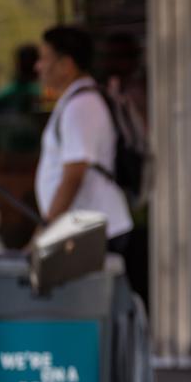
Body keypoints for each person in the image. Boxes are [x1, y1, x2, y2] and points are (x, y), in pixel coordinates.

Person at [33, 26, 133, 257]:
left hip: (92, 233)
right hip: (86, 230)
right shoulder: (77, 101)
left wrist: (44, 232)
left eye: (44, 58)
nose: (38, 67)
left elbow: (73, 177)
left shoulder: (81, 106)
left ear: (66, 64)